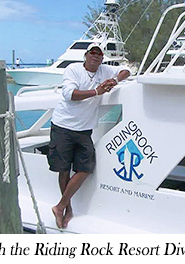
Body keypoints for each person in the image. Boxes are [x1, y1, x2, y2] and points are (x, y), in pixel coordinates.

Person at [47, 43, 130, 229]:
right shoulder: (73, 69)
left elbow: (126, 70)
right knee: (63, 169)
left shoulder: (104, 70)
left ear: (102, 58)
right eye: (92, 53)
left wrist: (115, 80)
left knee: (86, 168)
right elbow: (69, 94)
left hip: (84, 129)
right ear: (85, 55)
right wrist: (96, 92)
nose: (95, 56)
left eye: (99, 54)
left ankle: (59, 206)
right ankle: (67, 209)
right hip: (63, 125)